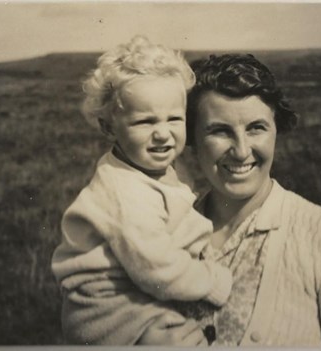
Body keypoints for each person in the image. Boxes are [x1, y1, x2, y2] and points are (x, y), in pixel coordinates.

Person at [138, 53, 321, 346]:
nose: (242, 151)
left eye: (256, 128)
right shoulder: (159, 233)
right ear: (190, 138)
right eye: (220, 130)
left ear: (276, 130)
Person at [51, 36, 232, 345]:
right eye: (144, 122)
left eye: (174, 118)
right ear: (109, 127)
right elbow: (156, 268)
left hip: (130, 290)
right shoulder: (124, 192)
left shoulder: (149, 168)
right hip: (107, 309)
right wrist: (213, 282)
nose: (163, 133)